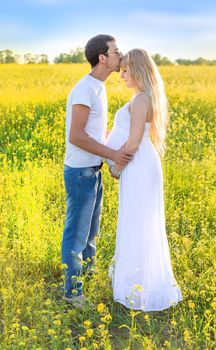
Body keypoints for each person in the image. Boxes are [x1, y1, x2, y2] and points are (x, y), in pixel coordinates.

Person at [106, 49, 183, 311]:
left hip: (137, 164)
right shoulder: (143, 98)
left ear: (138, 70)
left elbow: (135, 140)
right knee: (139, 222)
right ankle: (139, 283)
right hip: (141, 164)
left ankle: (140, 289)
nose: (122, 76)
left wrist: (115, 168)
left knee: (137, 222)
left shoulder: (141, 100)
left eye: (126, 70)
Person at [62, 34, 134, 308]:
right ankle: (72, 292)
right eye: (116, 51)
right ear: (103, 57)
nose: (120, 55)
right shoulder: (85, 89)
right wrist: (114, 154)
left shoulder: (98, 87)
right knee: (77, 234)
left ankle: (88, 278)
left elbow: (94, 134)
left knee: (91, 232)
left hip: (93, 169)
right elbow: (77, 136)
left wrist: (116, 146)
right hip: (81, 172)